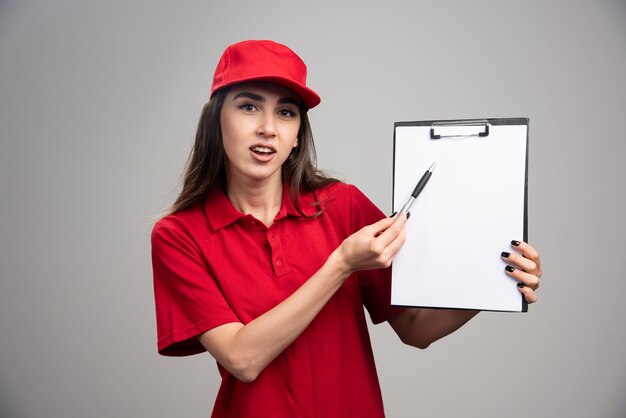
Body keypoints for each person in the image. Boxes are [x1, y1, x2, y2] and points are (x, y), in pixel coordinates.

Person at [151, 39, 542, 418]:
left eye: (286, 112)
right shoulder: (178, 235)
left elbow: (415, 328)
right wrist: (340, 265)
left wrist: (495, 282)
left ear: (298, 134)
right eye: (249, 106)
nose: (268, 128)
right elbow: (242, 358)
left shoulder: (343, 206)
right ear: (215, 118)